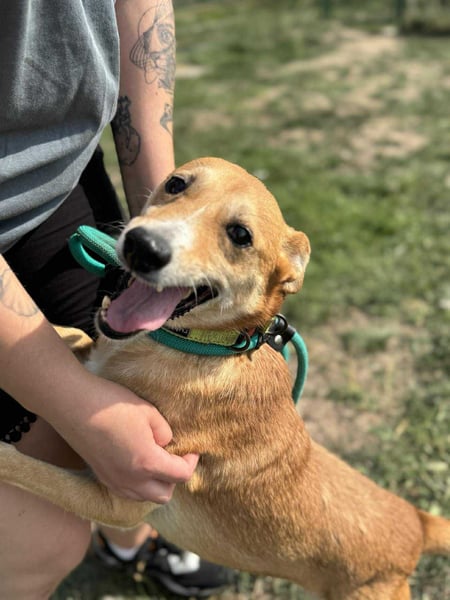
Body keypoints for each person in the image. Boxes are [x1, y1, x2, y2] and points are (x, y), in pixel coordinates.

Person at [0, 1, 232, 598]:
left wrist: (163, 213)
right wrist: (85, 411)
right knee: (43, 539)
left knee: (148, 397)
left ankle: (127, 539)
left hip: (56, 172)